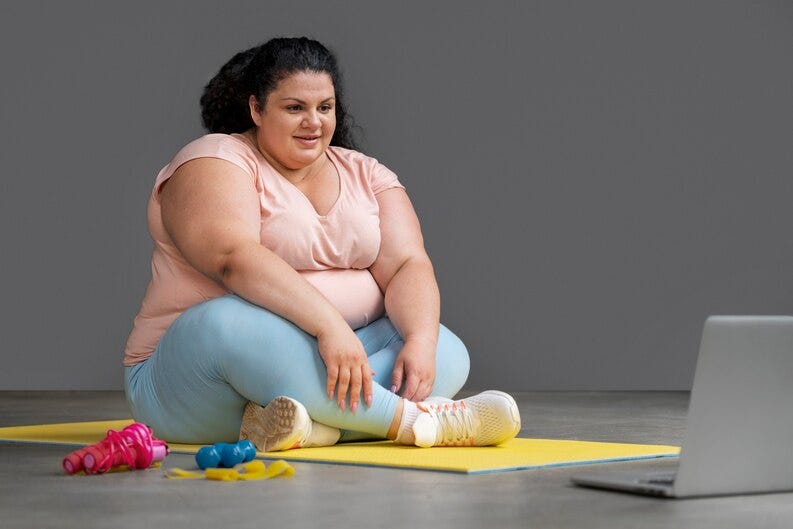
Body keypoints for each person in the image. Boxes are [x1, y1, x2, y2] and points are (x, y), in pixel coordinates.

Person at [123, 37, 521, 450]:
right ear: (256, 108)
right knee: (226, 322)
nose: (313, 121)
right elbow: (233, 258)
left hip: (342, 353)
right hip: (192, 378)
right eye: (295, 108)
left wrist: (419, 340)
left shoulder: (366, 173)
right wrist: (330, 327)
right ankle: (419, 424)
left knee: (443, 349)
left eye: (324, 107)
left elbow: (407, 265)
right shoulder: (214, 158)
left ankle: (309, 427)